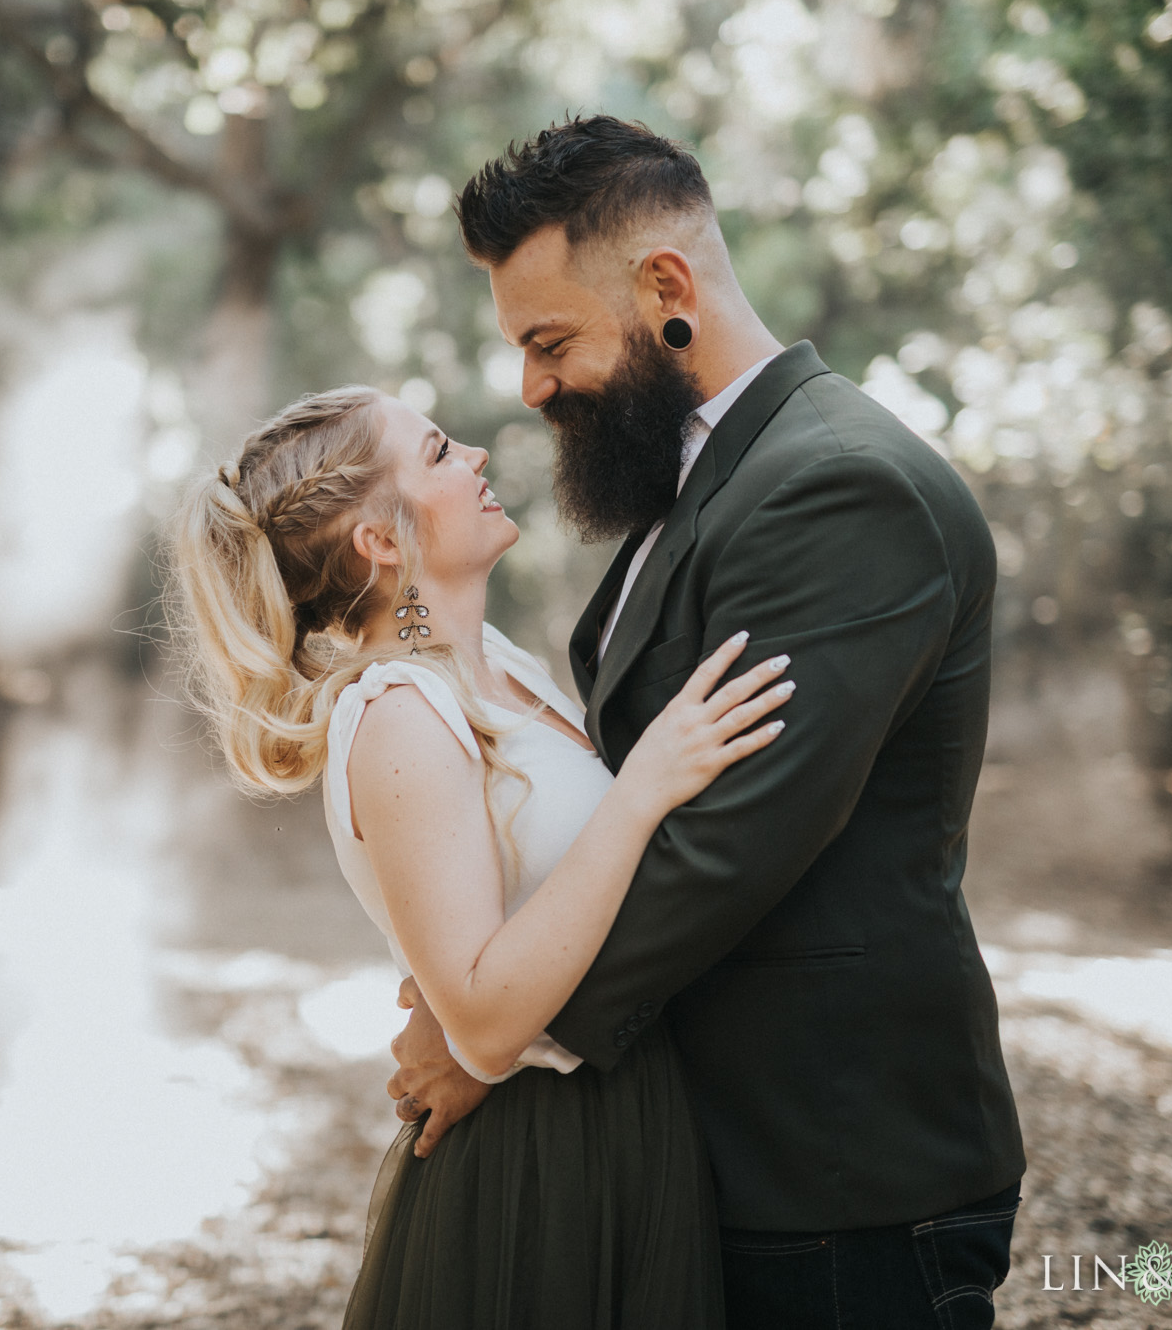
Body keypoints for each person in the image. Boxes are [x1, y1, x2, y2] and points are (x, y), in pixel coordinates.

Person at [382, 115, 1027, 1329]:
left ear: (663, 287)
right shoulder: (708, 478)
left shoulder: (836, 485)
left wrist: (494, 1037)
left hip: (836, 1159)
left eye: (548, 340)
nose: (528, 388)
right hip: (728, 1143)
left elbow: (728, 839)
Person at [171, 383, 795, 1327]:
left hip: (628, 1118)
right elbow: (488, 1021)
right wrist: (643, 788)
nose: (475, 457)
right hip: (536, 1164)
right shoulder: (397, 715)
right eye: (435, 453)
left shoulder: (490, 663)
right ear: (380, 543)